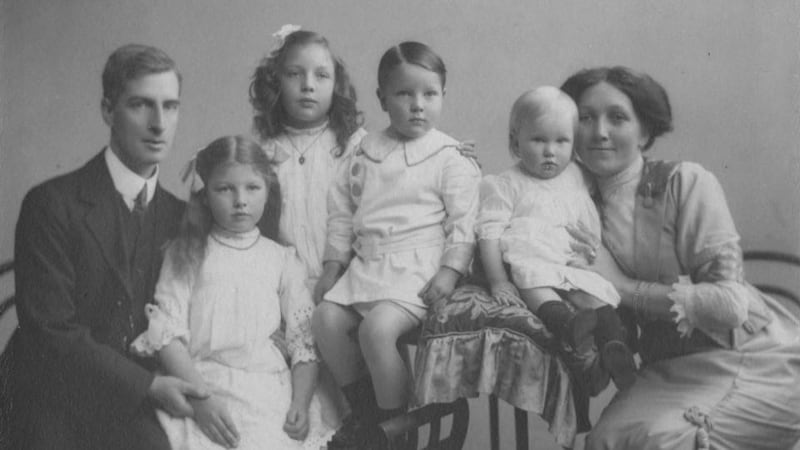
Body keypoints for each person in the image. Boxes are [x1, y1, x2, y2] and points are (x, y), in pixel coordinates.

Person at [560, 66, 800, 449]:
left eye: (617, 117)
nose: (599, 132)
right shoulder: (571, 203)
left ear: (646, 131)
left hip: (751, 358)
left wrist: (622, 287)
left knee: (667, 443)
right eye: (585, 118)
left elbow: (730, 306)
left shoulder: (685, 183)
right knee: (604, 442)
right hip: (665, 369)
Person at [8, 44, 206, 450]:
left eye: (170, 107)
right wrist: (148, 385)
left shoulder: (183, 217)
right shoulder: (51, 203)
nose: (159, 124)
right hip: (52, 393)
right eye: (140, 105)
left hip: (134, 401)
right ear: (107, 110)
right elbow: (51, 332)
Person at [312, 41, 481, 449]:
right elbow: (342, 214)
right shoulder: (364, 151)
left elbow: (464, 222)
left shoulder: (449, 155)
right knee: (325, 320)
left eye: (429, 94)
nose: (418, 105)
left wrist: (450, 271)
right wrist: (333, 267)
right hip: (368, 265)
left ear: (444, 95)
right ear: (382, 99)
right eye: (404, 94)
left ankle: (393, 424)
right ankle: (365, 411)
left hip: (419, 268)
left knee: (377, 330)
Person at [130, 135, 333, 449]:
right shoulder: (187, 252)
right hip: (202, 383)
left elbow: (303, 342)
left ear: (268, 190)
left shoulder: (281, 259)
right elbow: (166, 335)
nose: (240, 200)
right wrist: (202, 399)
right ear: (206, 194)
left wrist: (301, 404)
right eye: (225, 189)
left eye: (252, 188)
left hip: (266, 390)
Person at [248, 25, 368, 434]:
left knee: (354, 398)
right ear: (274, 83)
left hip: (346, 284)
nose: (307, 86)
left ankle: (367, 427)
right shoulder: (264, 151)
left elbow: (408, 168)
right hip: (289, 290)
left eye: (321, 76)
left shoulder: (353, 144)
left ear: (337, 84)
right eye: (294, 74)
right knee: (301, 405)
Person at [477, 86, 635, 391]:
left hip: (570, 260)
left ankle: (617, 350)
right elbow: (490, 232)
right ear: (515, 142)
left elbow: (610, 190)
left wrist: (590, 254)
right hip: (531, 259)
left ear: (573, 144)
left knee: (596, 295)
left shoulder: (577, 174)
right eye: (538, 140)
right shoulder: (506, 184)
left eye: (561, 141)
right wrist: (498, 280)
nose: (551, 151)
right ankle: (568, 325)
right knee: (534, 287)